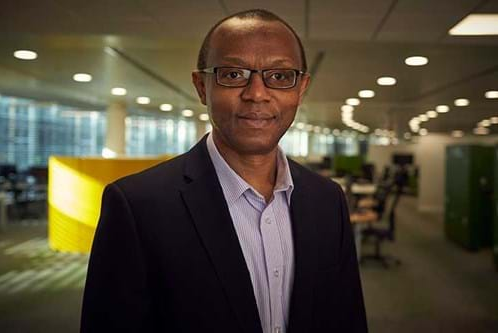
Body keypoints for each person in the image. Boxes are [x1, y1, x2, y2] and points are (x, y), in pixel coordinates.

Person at [81, 9, 367, 333]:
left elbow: (347, 319)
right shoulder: (137, 206)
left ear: (301, 88)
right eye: (233, 74)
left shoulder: (327, 199)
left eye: (279, 76)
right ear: (201, 86)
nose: (257, 93)